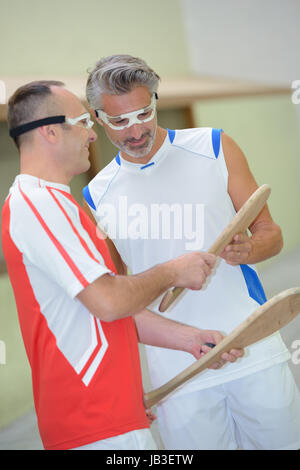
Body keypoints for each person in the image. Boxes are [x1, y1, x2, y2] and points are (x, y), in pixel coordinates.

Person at [1, 80, 243, 451]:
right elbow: (110, 300)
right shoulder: (36, 206)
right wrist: (172, 271)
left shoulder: (60, 206)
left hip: (114, 416)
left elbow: (106, 310)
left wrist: (189, 339)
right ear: (50, 131)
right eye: (83, 121)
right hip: (92, 423)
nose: (93, 134)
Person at [83, 54, 300, 450]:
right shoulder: (96, 193)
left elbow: (272, 233)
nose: (135, 130)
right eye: (119, 120)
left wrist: (248, 248)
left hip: (253, 347)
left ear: (155, 101)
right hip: (176, 373)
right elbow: (117, 295)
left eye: (143, 113)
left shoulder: (214, 146)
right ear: (97, 117)